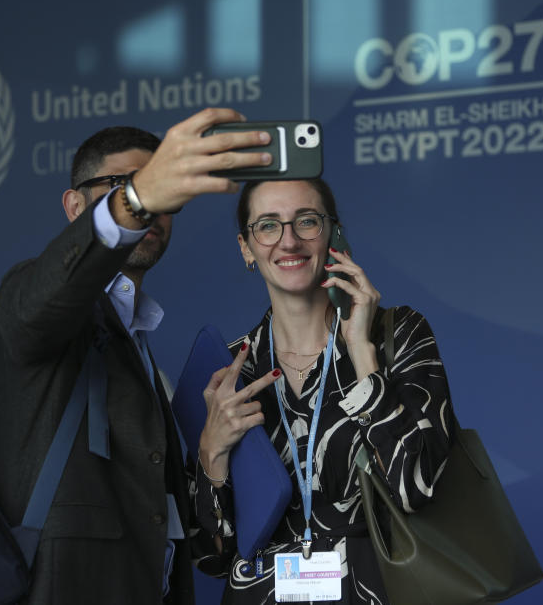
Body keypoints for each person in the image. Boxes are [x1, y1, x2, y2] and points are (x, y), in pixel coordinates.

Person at [0, 108, 274, 605]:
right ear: (76, 207)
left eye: (162, 192)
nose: (152, 208)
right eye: (123, 184)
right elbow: (36, 307)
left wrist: (210, 451)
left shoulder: (136, 337)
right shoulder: (33, 294)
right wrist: (134, 199)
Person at [193, 178, 456, 604]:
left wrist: (362, 354)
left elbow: (417, 488)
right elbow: (210, 558)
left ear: (334, 234)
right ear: (246, 247)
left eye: (307, 221)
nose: (289, 241)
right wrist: (213, 454)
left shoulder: (397, 336)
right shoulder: (227, 374)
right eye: (268, 226)